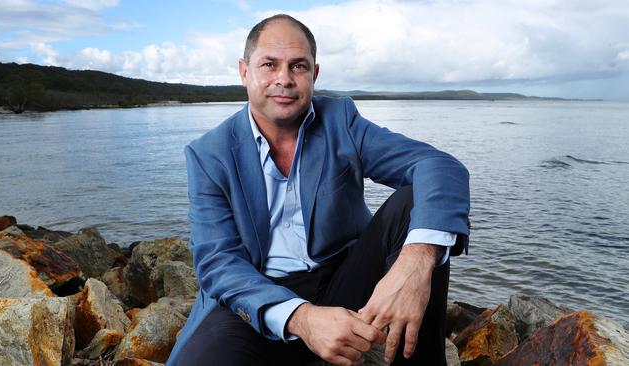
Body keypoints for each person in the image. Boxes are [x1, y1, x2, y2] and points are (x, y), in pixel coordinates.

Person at [167, 14, 469, 366]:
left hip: (345, 279)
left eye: (298, 66)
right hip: (256, 293)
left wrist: (414, 263)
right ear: (244, 71)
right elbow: (218, 263)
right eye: (269, 65)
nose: (284, 79)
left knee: (415, 203)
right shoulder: (208, 154)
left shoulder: (340, 120)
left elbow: (439, 166)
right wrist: (304, 319)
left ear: (315, 74)